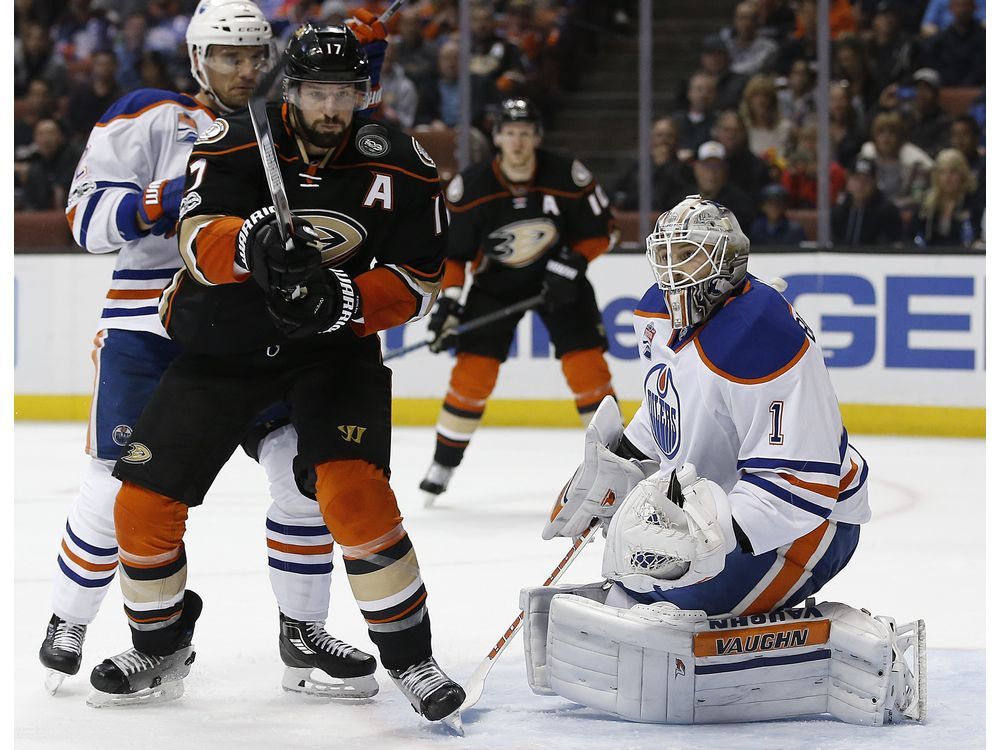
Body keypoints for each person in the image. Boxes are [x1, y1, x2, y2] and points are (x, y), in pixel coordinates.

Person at [85, 23, 465, 725]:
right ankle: (161, 646)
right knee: (138, 505)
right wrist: (254, 243)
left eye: (344, 93)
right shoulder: (232, 140)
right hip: (223, 342)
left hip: (330, 349)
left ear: (363, 93)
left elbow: (418, 279)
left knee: (354, 496)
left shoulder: (402, 165)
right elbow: (198, 245)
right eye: (318, 92)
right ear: (291, 91)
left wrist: (345, 298)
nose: (330, 107)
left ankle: (411, 657)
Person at [41, 2, 389, 703]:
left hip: (248, 333)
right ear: (198, 58)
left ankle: (304, 635)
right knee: (117, 488)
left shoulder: (274, 130)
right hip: (147, 330)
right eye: (229, 56)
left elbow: (348, 127)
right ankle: (75, 620)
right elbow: (84, 219)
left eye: (256, 57)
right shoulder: (150, 113)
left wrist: (365, 44)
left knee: (300, 475)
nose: (244, 69)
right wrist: (173, 197)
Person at [519, 194, 925, 727]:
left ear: (729, 261)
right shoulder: (660, 314)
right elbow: (672, 405)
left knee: (668, 602)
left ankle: (834, 647)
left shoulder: (761, 337)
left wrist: (710, 539)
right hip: (721, 508)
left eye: (689, 255)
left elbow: (797, 485)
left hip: (809, 525)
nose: (672, 271)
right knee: (633, 579)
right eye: (665, 255)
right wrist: (619, 464)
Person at [418, 98, 618, 505]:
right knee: (472, 374)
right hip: (496, 287)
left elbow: (605, 231)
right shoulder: (470, 187)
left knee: (588, 369)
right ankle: (443, 461)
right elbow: (454, 255)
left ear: (537, 137)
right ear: (497, 138)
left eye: (525, 132)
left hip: (559, 280)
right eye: (510, 132)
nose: (518, 141)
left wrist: (573, 261)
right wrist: (450, 303)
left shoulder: (567, 174)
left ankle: (616, 464)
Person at [909, 148, 981, 247]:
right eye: (942, 172)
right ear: (936, 175)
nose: (947, 178)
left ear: (962, 174)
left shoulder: (973, 203)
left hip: (963, 257)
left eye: (953, 172)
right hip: (929, 257)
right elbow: (912, 235)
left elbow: (978, 235)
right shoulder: (926, 204)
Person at [831, 156, 903, 245]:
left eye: (866, 179)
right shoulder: (838, 212)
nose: (861, 184)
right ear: (848, 181)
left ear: (875, 182)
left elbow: (891, 246)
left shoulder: (888, 212)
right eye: (856, 179)